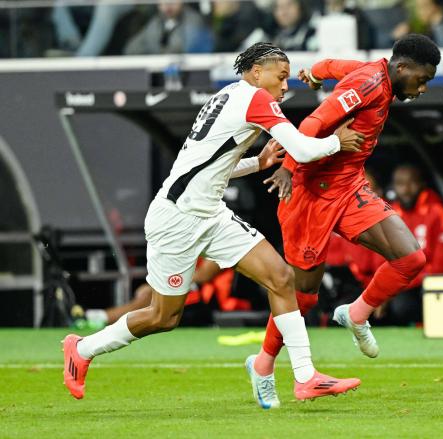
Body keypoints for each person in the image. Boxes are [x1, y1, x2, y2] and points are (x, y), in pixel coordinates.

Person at [62, 42, 365, 408]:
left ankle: (306, 378)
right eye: (281, 77)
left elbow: (208, 168)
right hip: (178, 219)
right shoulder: (255, 99)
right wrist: (337, 142)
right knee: (163, 316)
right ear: (256, 72)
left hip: (209, 213)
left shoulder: (227, 96)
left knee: (281, 278)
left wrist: (257, 163)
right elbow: (301, 150)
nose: (286, 86)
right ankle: (82, 348)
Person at [249, 34, 441, 400]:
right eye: (423, 78)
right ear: (402, 68)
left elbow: (331, 65)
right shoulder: (368, 84)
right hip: (309, 192)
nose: (424, 87)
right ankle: (263, 365)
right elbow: (310, 125)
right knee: (302, 297)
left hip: (349, 187)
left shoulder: (373, 73)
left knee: (411, 258)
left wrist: (315, 75)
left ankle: (355, 313)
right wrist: (289, 167)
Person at [385, 164, 443, 324]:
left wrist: (401, 284)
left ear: (421, 184)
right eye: (400, 184)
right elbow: (381, 257)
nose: (405, 190)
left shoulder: (439, 215)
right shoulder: (388, 215)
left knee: (401, 306)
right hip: (398, 284)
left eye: (411, 183)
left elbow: (442, 267)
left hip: (427, 284)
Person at [123, 0, 204, 55]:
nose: (168, 4)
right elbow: (131, 49)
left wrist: (157, 52)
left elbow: (184, 48)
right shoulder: (155, 21)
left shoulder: (194, 20)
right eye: (164, 1)